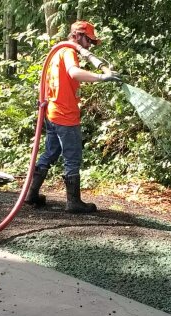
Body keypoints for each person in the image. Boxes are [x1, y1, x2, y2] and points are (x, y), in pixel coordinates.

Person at [25, 20, 121, 213]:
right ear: (78, 36)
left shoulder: (57, 52)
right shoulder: (68, 52)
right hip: (65, 116)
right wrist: (101, 77)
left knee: (50, 153)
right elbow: (73, 72)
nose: (89, 45)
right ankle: (73, 202)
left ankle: (31, 194)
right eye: (89, 40)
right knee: (72, 157)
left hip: (52, 112)